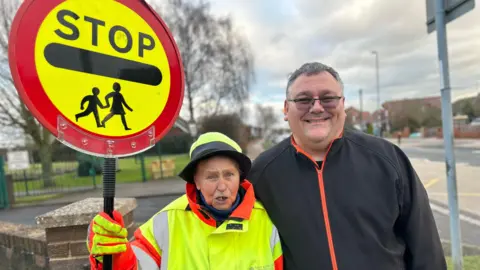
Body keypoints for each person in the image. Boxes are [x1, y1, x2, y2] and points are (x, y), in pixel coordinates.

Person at [248, 62, 446, 270]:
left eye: (328, 98)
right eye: (304, 99)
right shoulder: (263, 174)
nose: (316, 107)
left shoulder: (388, 160)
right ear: (287, 109)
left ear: (342, 104)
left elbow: (425, 248)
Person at [86, 132, 283, 269]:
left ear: (240, 177)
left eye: (229, 175)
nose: (222, 186)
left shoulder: (265, 221)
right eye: (211, 177)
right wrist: (113, 257)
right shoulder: (166, 222)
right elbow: (132, 266)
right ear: (196, 181)